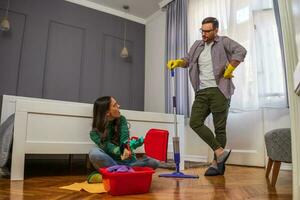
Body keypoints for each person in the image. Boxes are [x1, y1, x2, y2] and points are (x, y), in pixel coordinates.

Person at [167, 17, 247, 176]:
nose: (204, 34)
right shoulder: (197, 45)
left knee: (219, 128)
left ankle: (217, 165)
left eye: (207, 31)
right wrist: (178, 62)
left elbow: (241, 51)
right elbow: (187, 60)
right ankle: (220, 152)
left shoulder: (223, 42)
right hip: (202, 91)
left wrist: (231, 68)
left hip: (219, 90)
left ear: (216, 30)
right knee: (195, 122)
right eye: (202, 30)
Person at [88, 96, 160, 173]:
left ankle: (116, 172)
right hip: (111, 162)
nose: (119, 106)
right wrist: (119, 150)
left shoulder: (122, 120)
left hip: (129, 163)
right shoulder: (94, 133)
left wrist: (129, 146)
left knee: (154, 162)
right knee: (94, 153)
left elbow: (124, 139)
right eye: (115, 105)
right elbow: (107, 146)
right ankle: (123, 171)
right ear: (107, 112)